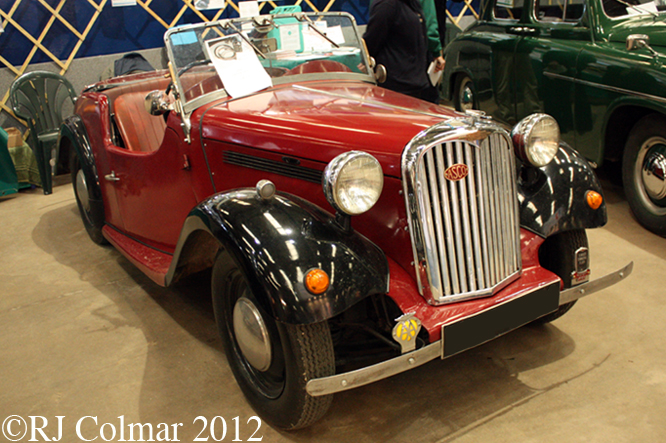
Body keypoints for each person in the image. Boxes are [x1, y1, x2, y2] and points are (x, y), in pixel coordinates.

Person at [363, 0, 443, 102]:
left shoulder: (397, 4)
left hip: (405, 83)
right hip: (405, 83)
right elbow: (373, 38)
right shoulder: (394, 4)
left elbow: (372, 39)